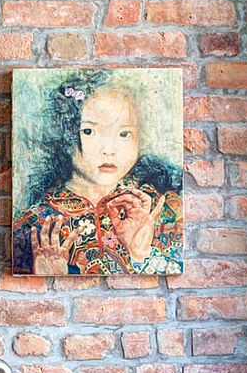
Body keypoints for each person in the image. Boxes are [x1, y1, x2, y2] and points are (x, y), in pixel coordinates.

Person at [12, 76, 183, 276]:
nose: (109, 150)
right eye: (89, 131)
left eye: (124, 134)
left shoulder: (161, 208)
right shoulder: (36, 225)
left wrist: (141, 254)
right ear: (65, 135)